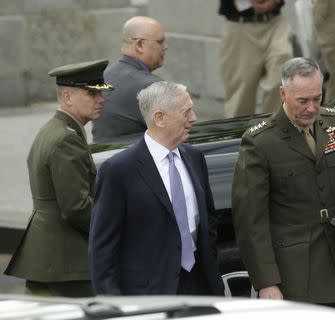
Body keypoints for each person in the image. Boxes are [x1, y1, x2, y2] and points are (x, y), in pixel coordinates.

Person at [232, 57, 335, 311]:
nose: (312, 108)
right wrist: (267, 282)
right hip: (294, 275)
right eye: (303, 101)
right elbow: (251, 222)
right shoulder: (260, 142)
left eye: (317, 98)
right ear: (283, 93)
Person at [89, 81, 225, 296]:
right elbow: (102, 249)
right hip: (150, 294)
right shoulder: (119, 170)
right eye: (186, 112)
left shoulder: (194, 158)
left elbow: (208, 221)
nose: (194, 118)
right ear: (160, 118)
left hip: (200, 285)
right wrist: (112, 305)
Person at [4, 60, 113, 297]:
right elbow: (76, 208)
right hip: (65, 259)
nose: (100, 99)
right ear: (67, 96)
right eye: (92, 93)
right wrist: (114, 225)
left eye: (101, 93)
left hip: (53, 257)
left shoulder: (56, 129)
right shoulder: (66, 138)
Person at [92, 16, 168, 144]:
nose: (165, 46)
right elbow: (175, 134)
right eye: (160, 42)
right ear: (139, 45)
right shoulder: (152, 87)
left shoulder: (103, 76)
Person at [219, 0, 293, 118]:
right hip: (240, 25)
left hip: (275, 22)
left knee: (280, 77)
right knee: (241, 96)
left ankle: (274, 129)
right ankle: (241, 134)